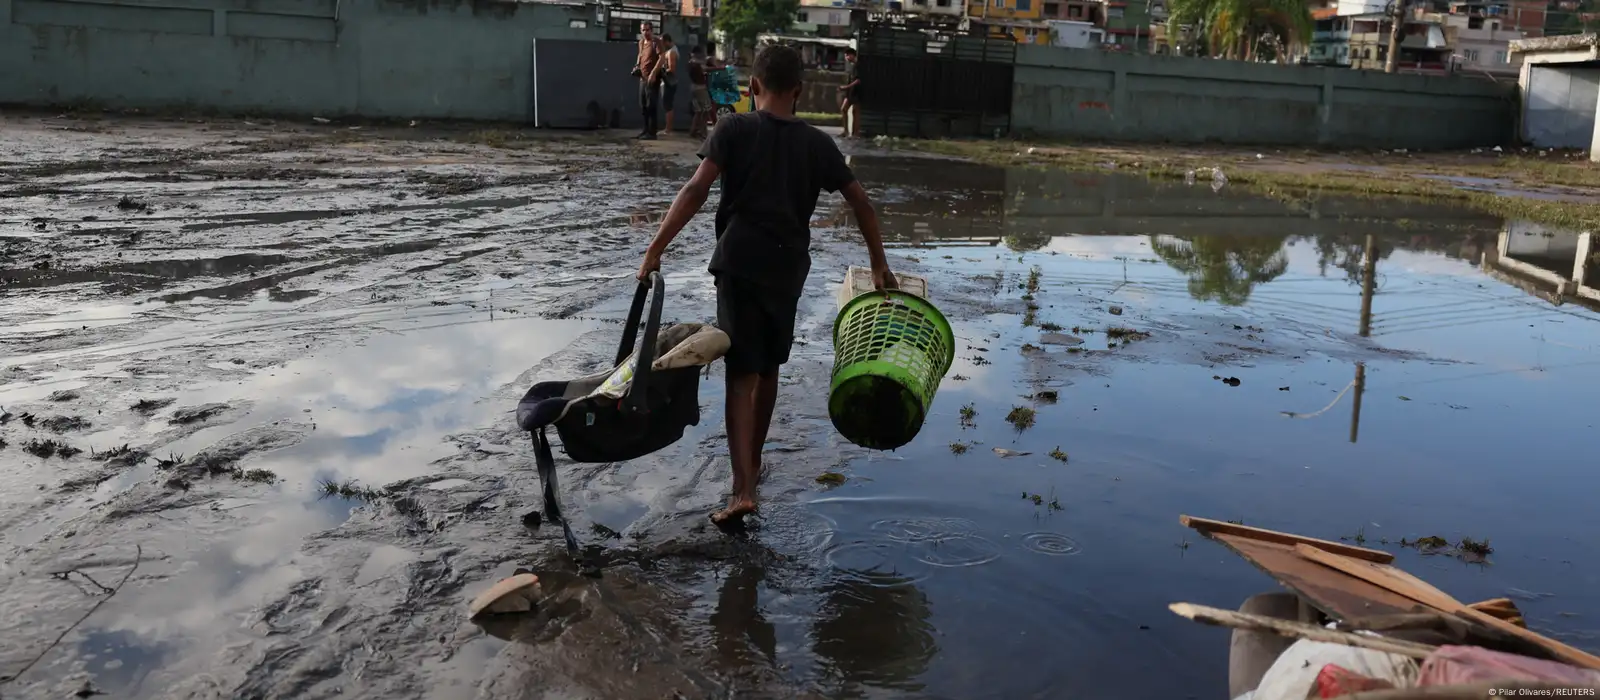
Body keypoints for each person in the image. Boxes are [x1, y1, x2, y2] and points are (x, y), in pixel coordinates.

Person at [635, 44, 896, 526]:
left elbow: (695, 189)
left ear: (752, 87)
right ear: (797, 92)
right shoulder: (818, 143)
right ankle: (751, 468)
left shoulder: (733, 128)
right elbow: (862, 202)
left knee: (741, 375)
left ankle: (742, 490)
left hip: (738, 264)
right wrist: (878, 263)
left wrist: (656, 248)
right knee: (769, 369)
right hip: (787, 270)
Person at [633, 23, 662, 140]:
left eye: (648, 30)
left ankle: (652, 132)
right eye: (643, 30)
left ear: (652, 30)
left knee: (651, 105)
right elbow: (640, 55)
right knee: (643, 105)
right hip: (642, 78)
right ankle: (645, 130)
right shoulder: (641, 43)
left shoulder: (656, 42)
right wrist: (636, 66)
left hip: (652, 78)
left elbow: (662, 57)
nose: (646, 32)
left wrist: (654, 73)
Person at [654, 34, 680, 135]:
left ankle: (668, 129)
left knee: (668, 105)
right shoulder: (670, 50)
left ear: (667, 41)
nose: (662, 44)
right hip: (667, 82)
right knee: (667, 105)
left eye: (662, 42)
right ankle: (668, 128)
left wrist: (661, 71)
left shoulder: (671, 52)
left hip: (669, 82)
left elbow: (672, 69)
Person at [688, 46, 714, 141]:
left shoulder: (691, 62)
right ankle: (703, 132)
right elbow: (706, 68)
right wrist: (720, 68)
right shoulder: (695, 63)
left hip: (694, 88)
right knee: (706, 109)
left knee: (698, 111)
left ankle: (693, 131)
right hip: (700, 88)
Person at [837, 48, 861, 138]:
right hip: (850, 93)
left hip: (857, 92)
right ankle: (846, 131)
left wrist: (846, 87)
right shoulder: (852, 66)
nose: (846, 58)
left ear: (852, 55)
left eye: (847, 55)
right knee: (844, 109)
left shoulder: (858, 66)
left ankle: (855, 133)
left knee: (856, 112)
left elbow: (858, 80)